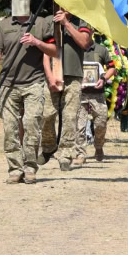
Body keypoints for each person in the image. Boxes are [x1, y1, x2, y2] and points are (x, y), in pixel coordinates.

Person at [0, 0, 58, 184]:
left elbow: (53, 50)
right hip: (8, 84)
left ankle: (30, 167)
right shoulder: (3, 25)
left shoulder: (41, 23)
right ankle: (14, 168)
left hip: (33, 83)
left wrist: (36, 42)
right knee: (10, 128)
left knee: (31, 125)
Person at [41, 10, 91, 171]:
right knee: (47, 114)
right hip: (52, 75)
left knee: (70, 117)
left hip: (73, 75)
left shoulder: (82, 20)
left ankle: (65, 154)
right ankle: (49, 147)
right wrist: (49, 77)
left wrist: (66, 24)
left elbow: (84, 42)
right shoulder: (50, 21)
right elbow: (46, 52)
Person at [76, 39, 116, 163]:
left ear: (92, 32)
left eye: (86, 32)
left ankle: (98, 146)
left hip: (97, 93)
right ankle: (80, 154)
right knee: (79, 124)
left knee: (101, 123)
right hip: (79, 93)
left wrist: (103, 79)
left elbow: (112, 67)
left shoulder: (101, 49)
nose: (83, 35)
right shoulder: (74, 48)